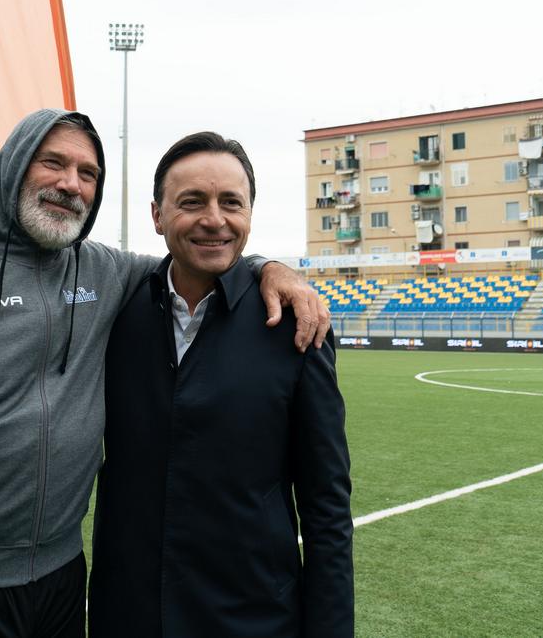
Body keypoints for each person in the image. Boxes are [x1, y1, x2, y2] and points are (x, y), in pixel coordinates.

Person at [0, 109, 331, 638]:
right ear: (13, 168)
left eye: (87, 173)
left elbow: (200, 252)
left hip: (62, 582)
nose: (71, 183)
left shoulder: (104, 271)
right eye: (53, 163)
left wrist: (270, 267)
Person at [88, 132, 353, 638]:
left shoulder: (296, 327)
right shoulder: (115, 314)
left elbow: (327, 507)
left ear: (250, 213)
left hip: (251, 621)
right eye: (192, 202)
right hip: (126, 617)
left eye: (231, 202)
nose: (214, 219)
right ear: (157, 215)